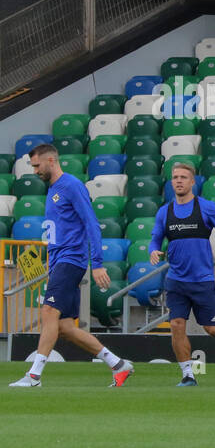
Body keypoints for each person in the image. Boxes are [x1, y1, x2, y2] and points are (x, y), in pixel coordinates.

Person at [9, 144, 134, 388]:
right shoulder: (55, 189)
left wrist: (96, 263)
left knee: (48, 313)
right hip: (59, 262)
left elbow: (92, 224)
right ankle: (118, 364)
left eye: (37, 165)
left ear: (51, 160)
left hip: (71, 260)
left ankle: (33, 376)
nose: (34, 171)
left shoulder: (72, 185)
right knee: (65, 327)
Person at [147, 161, 215, 386]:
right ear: (171, 182)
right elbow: (155, 238)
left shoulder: (206, 207)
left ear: (193, 182)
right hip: (176, 280)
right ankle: (188, 375)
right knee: (176, 325)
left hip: (202, 280)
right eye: (175, 177)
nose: (179, 181)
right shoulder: (165, 212)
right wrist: (153, 249)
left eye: (184, 177)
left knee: (212, 329)